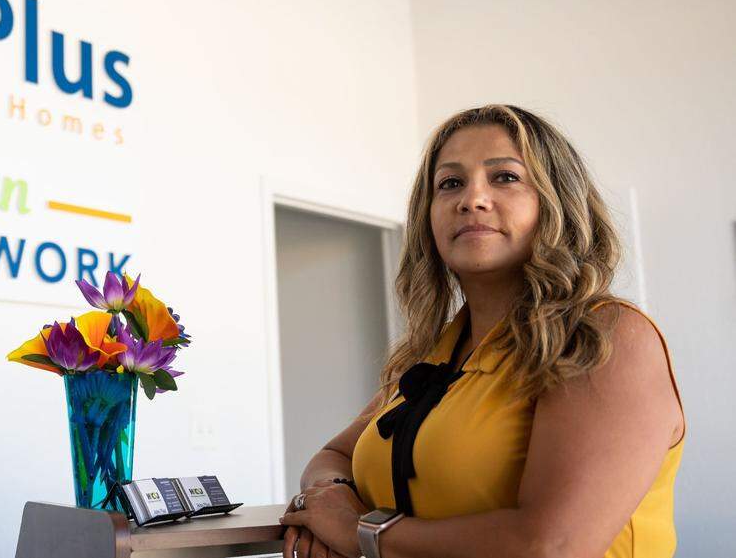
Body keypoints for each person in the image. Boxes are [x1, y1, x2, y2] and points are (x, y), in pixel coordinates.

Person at [277, 105, 685, 558]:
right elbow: (332, 457)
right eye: (450, 183)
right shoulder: (436, 354)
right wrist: (330, 499)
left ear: (557, 201)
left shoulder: (604, 337)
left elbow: (550, 546)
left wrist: (360, 533)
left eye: (505, 177)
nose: (471, 199)